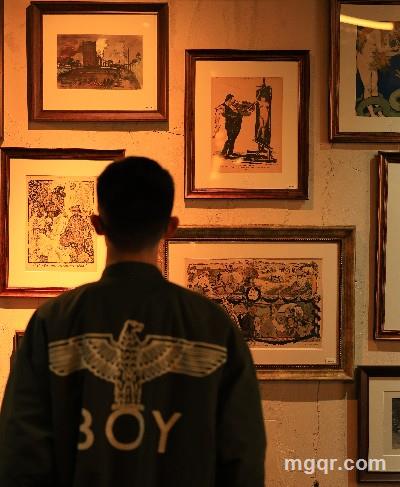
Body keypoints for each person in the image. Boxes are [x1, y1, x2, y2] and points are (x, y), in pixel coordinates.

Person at [0, 156, 266, 487]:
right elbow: (242, 456)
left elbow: (21, 454)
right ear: (170, 227)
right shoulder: (213, 326)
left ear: (97, 224)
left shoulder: (52, 322)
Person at [217, 94, 244, 158]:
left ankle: (228, 152)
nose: (234, 101)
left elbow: (238, 112)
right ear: (229, 99)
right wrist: (233, 115)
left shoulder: (232, 106)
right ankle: (226, 152)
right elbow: (224, 114)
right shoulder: (223, 106)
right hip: (230, 125)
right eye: (233, 100)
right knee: (231, 139)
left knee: (232, 139)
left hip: (236, 125)